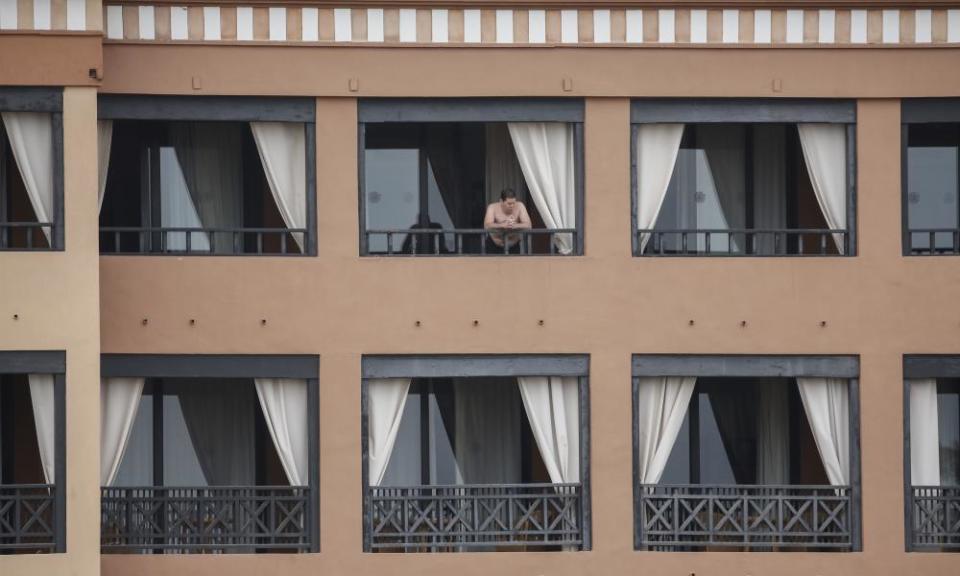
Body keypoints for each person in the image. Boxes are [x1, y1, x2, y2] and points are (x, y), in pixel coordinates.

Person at [483, 189, 531, 254]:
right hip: (495, 244)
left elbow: (528, 225)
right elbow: (487, 225)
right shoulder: (492, 207)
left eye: (514, 203)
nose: (512, 206)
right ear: (501, 201)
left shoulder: (520, 206)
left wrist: (514, 225)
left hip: (513, 245)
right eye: (509, 203)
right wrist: (502, 225)